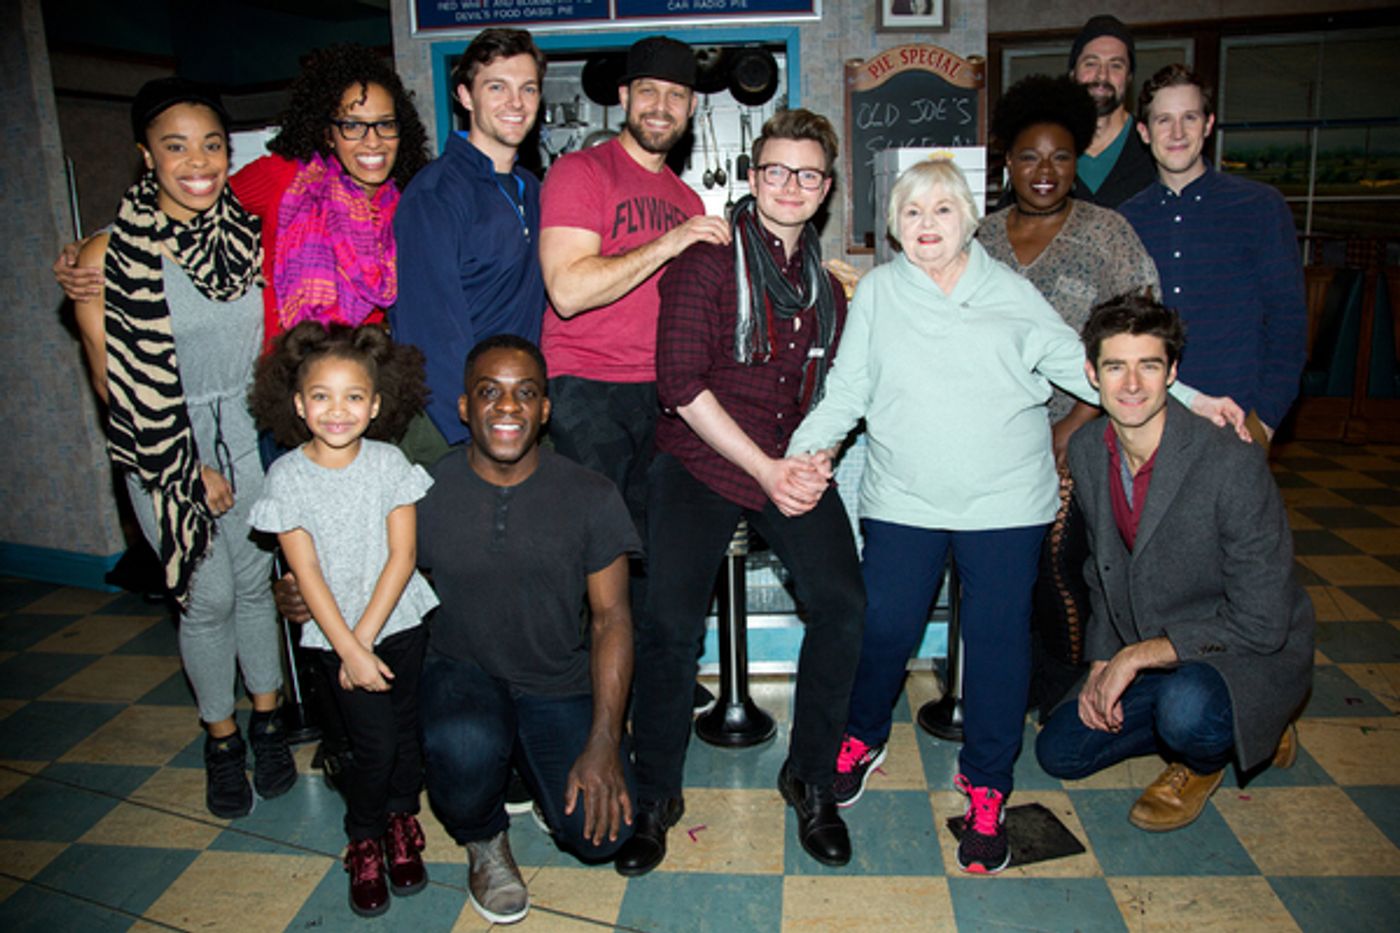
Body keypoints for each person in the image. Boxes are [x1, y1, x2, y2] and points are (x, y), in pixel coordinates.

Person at [786, 159, 1246, 874]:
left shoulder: (1011, 294)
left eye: (943, 209)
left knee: (998, 648)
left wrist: (1196, 399)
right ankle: (862, 735)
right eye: (912, 212)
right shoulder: (877, 292)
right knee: (882, 627)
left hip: (1004, 503)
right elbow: (848, 389)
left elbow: (1092, 366)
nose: (928, 223)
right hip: (904, 498)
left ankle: (988, 788)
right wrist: (795, 457)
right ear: (894, 227)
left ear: (970, 218)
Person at [619, 110, 864, 876]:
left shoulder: (828, 286)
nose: (791, 186)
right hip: (703, 457)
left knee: (845, 603)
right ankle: (656, 791)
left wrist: (814, 461)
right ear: (753, 178)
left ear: (825, 190)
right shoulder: (705, 261)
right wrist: (766, 469)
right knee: (666, 623)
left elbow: (839, 392)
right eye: (776, 171)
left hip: (788, 461)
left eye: (808, 174)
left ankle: (811, 775)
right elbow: (680, 385)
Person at [71, 78, 296, 819]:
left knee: (256, 586)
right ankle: (222, 737)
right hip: (162, 439)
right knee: (209, 598)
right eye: (175, 146)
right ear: (146, 157)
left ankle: (268, 722)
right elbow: (113, 383)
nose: (197, 162)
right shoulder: (109, 255)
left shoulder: (242, 234)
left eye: (211, 145)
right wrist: (185, 466)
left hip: (242, 424)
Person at [1036, 295, 1314, 831]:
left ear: (1173, 373)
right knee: (1060, 752)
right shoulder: (1093, 448)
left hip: (1245, 648)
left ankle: (1208, 753)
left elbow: (1262, 619)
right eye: (1116, 366)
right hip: (1161, 646)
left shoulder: (1231, 461)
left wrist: (1136, 657)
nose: (1132, 385)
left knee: (1187, 713)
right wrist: (1101, 660)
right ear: (1091, 374)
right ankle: (1243, 724)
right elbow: (1102, 571)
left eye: (1150, 366)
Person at [977, 73, 1161, 717]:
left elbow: (1133, 337)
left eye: (1060, 156)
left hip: (1082, 434)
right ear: (1009, 162)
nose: (1045, 170)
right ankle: (1013, 682)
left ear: (1076, 158)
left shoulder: (1108, 234)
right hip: (993, 437)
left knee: (1061, 563)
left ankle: (1064, 685)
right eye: (1029, 156)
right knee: (1001, 573)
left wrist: (1075, 424)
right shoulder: (981, 236)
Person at [55, 45, 431, 351]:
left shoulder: (407, 205)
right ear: (327, 133)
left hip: (367, 386)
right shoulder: (284, 178)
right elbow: (191, 199)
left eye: (385, 123)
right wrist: (98, 242)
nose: (372, 140)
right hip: (287, 389)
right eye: (352, 125)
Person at [248, 322, 435, 918]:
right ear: (299, 405)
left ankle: (402, 822)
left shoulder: (388, 463)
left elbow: (403, 556)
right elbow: (306, 575)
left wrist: (367, 639)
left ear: (376, 404)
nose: (338, 410)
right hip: (333, 636)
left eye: (354, 396)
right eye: (322, 396)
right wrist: (350, 651)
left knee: (405, 736)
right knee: (372, 745)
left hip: (399, 621)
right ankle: (363, 838)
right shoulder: (286, 477)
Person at [538, 35, 730, 533]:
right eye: (648, 92)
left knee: (653, 549)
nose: (661, 108)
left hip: (663, 393)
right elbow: (568, 292)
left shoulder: (688, 200)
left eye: (675, 95)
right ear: (624, 98)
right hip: (587, 387)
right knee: (594, 553)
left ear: (691, 106)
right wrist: (670, 243)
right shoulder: (579, 171)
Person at [1120, 64, 1307, 447]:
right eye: (1163, 120)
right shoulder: (1124, 220)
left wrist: (1265, 421)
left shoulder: (1260, 207)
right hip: (1148, 419)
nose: (1176, 133)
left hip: (1236, 420)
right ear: (1143, 131)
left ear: (1207, 125)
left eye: (1189, 118)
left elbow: (1288, 323)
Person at [391, 28, 548, 459]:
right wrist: (469, 435)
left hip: (516, 413)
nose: (515, 103)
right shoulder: (436, 193)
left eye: (528, 88)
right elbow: (428, 330)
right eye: (496, 87)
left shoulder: (532, 189)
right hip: (453, 425)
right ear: (465, 95)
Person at [1066, 14, 1156, 207]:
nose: (1102, 75)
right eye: (1091, 63)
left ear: (1129, 78)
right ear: (1073, 73)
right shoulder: (1049, 146)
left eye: (1115, 65)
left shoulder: (1153, 147)